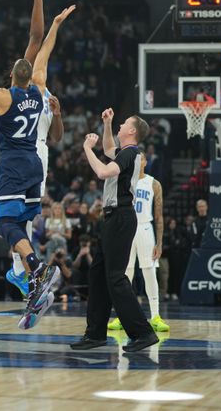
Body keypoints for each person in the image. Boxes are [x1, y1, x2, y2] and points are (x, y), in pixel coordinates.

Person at [0, 4, 75, 330]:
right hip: (38, 161)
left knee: (8, 223)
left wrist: (53, 24)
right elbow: (43, 48)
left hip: (24, 156)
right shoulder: (40, 89)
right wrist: (57, 25)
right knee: (23, 223)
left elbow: (39, 49)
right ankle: (30, 284)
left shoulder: (26, 91)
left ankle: (28, 274)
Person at [70, 109, 159, 352]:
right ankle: (95, 334)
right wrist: (107, 125)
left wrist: (87, 148)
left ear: (132, 131)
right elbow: (109, 151)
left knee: (116, 278)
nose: (120, 125)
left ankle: (143, 333)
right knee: (97, 275)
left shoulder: (132, 153)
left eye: (122, 124)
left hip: (120, 216)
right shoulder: (125, 153)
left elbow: (103, 171)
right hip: (112, 217)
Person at [4, 0, 64, 298]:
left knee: (25, 214)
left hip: (37, 154)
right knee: (14, 217)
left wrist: (52, 19)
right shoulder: (12, 92)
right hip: (19, 154)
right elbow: (35, 39)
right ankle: (21, 271)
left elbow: (42, 42)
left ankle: (20, 271)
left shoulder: (41, 87)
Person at [108, 152, 169, 333]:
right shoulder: (123, 180)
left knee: (149, 271)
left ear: (145, 162)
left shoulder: (154, 183)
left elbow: (158, 215)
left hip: (144, 228)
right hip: (126, 228)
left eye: (140, 158)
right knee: (125, 273)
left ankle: (156, 316)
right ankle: (122, 315)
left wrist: (159, 243)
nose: (137, 161)